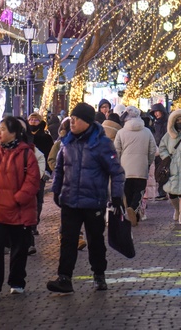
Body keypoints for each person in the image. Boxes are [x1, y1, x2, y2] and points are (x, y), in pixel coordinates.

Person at [48, 103, 125, 293]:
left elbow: (116, 172)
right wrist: (56, 190)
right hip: (70, 200)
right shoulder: (67, 141)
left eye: (76, 119)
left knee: (95, 240)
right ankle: (64, 278)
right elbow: (59, 168)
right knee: (68, 240)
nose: (71, 122)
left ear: (88, 122)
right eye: (71, 118)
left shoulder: (102, 144)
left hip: (93, 201)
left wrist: (116, 196)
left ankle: (99, 274)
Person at [0, 117, 40, 298]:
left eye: (3, 129)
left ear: (14, 132)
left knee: (19, 249)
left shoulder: (27, 154)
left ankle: (17, 281)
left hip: (20, 210)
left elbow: (32, 181)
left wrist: (18, 199)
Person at [115, 105, 157, 226]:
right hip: (141, 167)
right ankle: (133, 209)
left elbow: (116, 150)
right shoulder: (147, 132)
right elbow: (152, 150)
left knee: (128, 192)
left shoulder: (121, 132)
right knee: (139, 191)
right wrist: (148, 162)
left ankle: (131, 212)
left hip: (125, 168)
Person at [26, 113, 54, 234]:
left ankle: (34, 223)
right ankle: (29, 224)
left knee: (38, 199)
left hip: (40, 173)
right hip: (26, 173)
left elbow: (50, 155)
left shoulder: (46, 137)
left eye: (35, 120)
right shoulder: (24, 136)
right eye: (31, 120)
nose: (32, 122)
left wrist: (47, 171)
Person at [150, 104, 169, 201]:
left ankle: (163, 191)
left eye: (157, 111)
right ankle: (162, 191)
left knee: (163, 171)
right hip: (157, 148)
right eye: (154, 112)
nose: (156, 114)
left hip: (164, 148)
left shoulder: (167, 122)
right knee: (159, 170)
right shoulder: (155, 123)